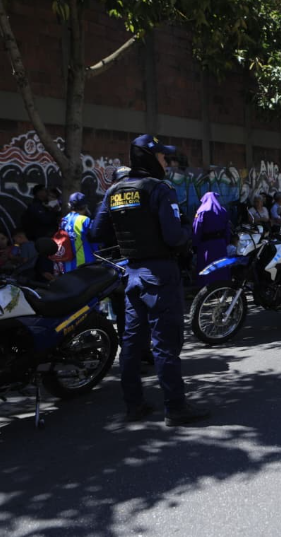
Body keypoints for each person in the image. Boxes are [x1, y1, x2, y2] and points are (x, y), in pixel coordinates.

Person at [91, 134, 207, 426]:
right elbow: (173, 236)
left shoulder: (114, 191)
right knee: (165, 344)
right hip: (160, 275)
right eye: (162, 157)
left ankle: (134, 405)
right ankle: (175, 407)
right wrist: (187, 235)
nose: (166, 162)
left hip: (131, 275)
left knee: (131, 344)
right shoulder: (160, 189)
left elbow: (97, 232)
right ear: (149, 158)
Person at [192, 191, 231, 287]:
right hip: (220, 244)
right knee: (220, 266)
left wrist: (195, 244)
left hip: (206, 246)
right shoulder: (223, 211)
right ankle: (222, 287)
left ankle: (206, 288)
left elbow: (197, 229)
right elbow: (227, 229)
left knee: (207, 266)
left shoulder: (201, 211)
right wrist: (226, 242)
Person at [59, 192, 97, 273]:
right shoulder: (85, 220)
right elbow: (95, 241)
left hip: (67, 264)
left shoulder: (64, 220)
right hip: (85, 265)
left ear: (70, 205)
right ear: (85, 206)